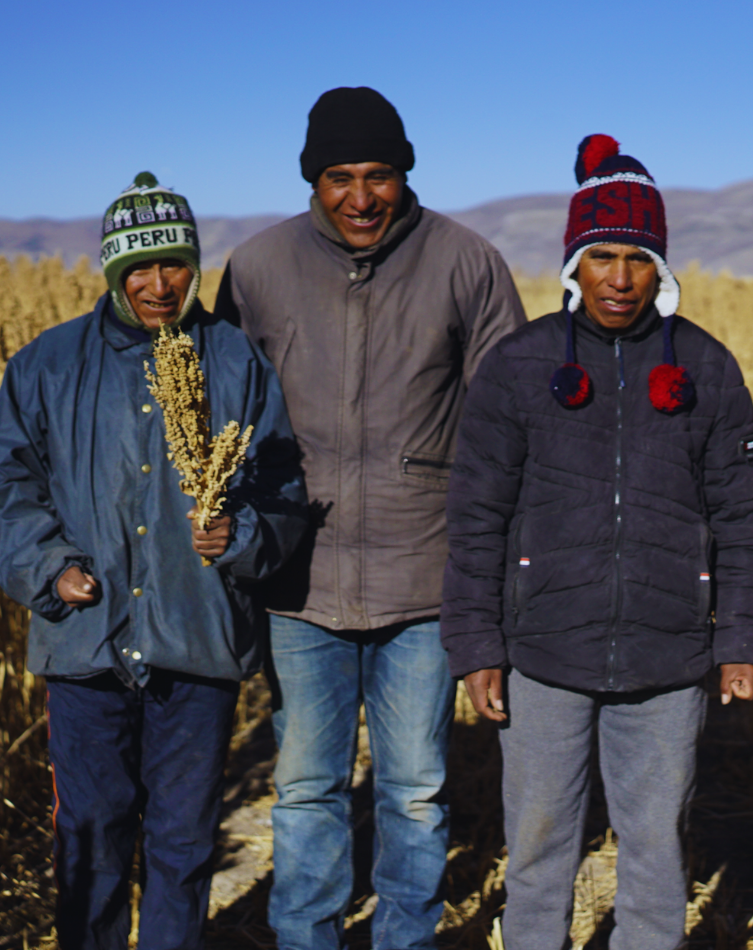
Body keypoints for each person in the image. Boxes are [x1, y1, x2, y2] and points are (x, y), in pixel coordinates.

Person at [441, 134, 753, 950]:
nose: (619, 278)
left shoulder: (705, 367)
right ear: (572, 267)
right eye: (602, 257)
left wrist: (740, 638)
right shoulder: (519, 367)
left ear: (662, 268)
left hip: (668, 660)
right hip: (544, 653)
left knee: (656, 849)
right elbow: (477, 515)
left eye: (637, 257)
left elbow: (741, 516)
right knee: (542, 848)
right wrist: (477, 645)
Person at [215, 86, 525, 950]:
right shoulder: (258, 267)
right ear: (313, 181)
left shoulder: (466, 262)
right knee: (309, 785)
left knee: (415, 788)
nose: (361, 197)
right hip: (297, 583)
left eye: (379, 175)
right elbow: (213, 419)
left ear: (404, 173)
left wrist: (493, 576)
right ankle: (306, 936)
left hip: (424, 578)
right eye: (340, 177)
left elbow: (509, 422)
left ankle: (405, 937)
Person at [0, 172, 307, 950]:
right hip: (86, 642)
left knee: (182, 843)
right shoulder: (47, 366)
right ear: (112, 272)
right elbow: (7, 483)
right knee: (92, 838)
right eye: (139, 267)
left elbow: (283, 489)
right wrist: (48, 568)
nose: (158, 284)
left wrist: (239, 537)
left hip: (195, 641)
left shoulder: (235, 361)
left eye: (174, 264)